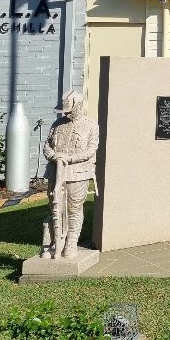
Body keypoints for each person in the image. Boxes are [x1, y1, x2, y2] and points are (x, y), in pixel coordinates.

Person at [41, 91, 98, 259]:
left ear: (79, 106)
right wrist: (55, 156)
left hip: (77, 174)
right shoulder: (56, 124)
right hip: (55, 172)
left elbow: (90, 150)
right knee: (55, 208)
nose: (66, 113)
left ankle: (71, 241)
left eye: (70, 109)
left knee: (73, 208)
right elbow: (47, 146)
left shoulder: (90, 125)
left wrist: (69, 158)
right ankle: (55, 242)